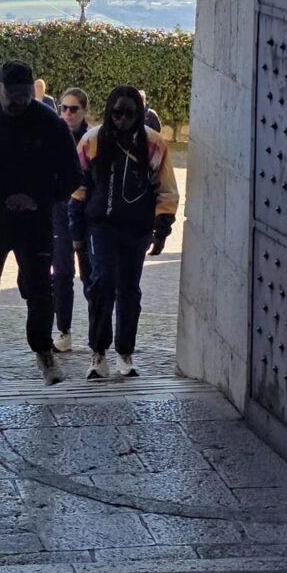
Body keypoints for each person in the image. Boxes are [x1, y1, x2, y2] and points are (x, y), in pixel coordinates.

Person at [0, 61, 82, 394]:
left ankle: (44, 353)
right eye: (12, 94)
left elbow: (72, 176)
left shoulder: (49, 123)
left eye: (24, 94)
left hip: (33, 221)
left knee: (38, 288)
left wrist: (37, 199)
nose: (18, 101)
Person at [78, 83, 179, 379]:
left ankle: (125, 352)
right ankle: (98, 352)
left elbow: (166, 188)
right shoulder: (92, 140)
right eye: (117, 113)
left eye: (130, 114)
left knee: (129, 290)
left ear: (140, 114)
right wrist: (76, 231)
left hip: (136, 227)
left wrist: (162, 229)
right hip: (101, 224)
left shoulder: (154, 143)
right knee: (101, 285)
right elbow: (78, 185)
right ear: (109, 111)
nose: (123, 119)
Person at [51, 88, 92, 352]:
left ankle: (97, 334)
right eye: (64, 108)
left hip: (86, 214)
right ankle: (63, 330)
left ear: (84, 111)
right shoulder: (53, 136)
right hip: (58, 212)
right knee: (62, 273)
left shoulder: (92, 140)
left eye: (73, 109)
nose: (67, 113)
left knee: (90, 275)